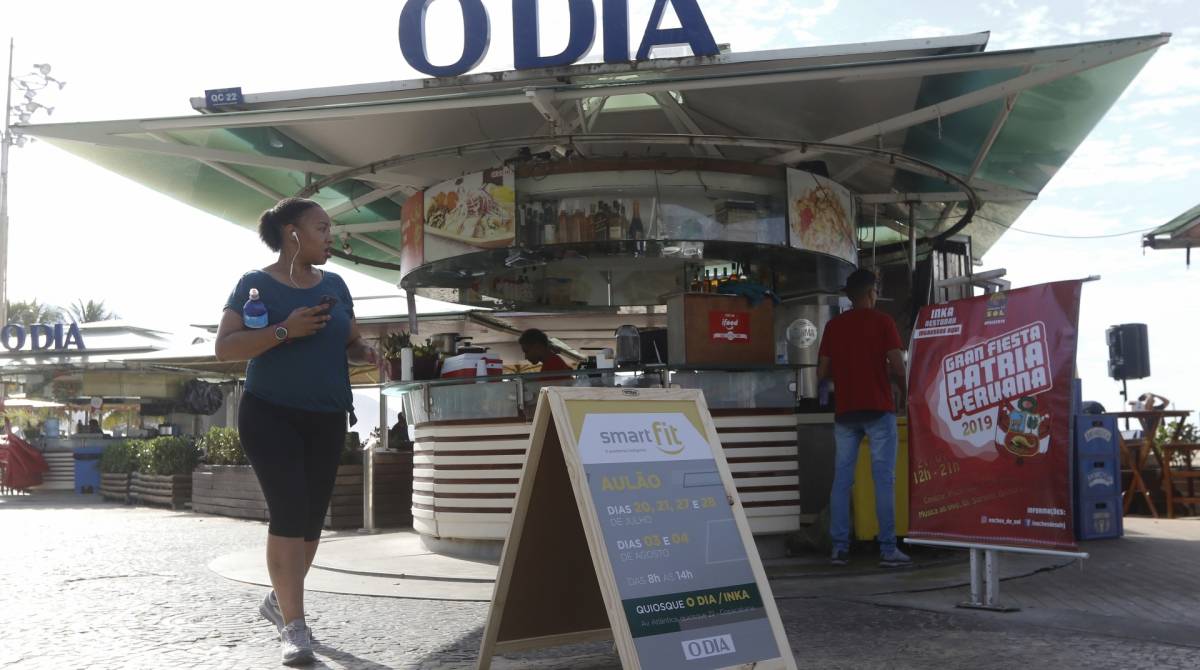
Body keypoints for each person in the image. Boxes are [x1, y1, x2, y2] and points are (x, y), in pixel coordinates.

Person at [215, 197, 377, 666]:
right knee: (288, 514)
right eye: (322, 228)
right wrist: (285, 330)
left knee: (310, 524)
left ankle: (277, 600)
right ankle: (295, 627)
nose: (331, 237)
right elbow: (225, 348)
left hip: (326, 416)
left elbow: (350, 339)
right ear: (292, 234)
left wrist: (366, 352)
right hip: (270, 414)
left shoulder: (338, 286)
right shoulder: (255, 284)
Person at [817, 268, 911, 568]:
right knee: (883, 479)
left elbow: (822, 372)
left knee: (842, 480)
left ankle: (840, 549)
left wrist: (846, 373)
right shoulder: (883, 322)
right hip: (879, 410)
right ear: (872, 292)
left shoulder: (834, 327)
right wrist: (903, 390)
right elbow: (898, 364)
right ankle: (887, 550)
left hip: (846, 413)